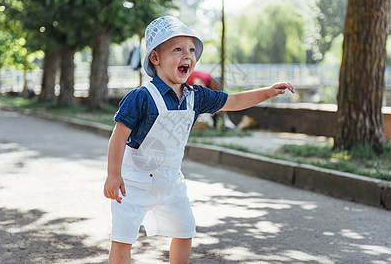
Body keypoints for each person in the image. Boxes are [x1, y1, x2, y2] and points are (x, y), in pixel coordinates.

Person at [103, 16, 294, 264]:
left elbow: (233, 102)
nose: (187, 56)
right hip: (133, 182)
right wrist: (113, 174)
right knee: (122, 239)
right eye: (178, 50)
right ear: (155, 58)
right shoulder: (141, 97)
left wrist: (267, 91)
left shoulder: (197, 96)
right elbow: (119, 136)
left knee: (184, 231)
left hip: (170, 182)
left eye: (192, 50)